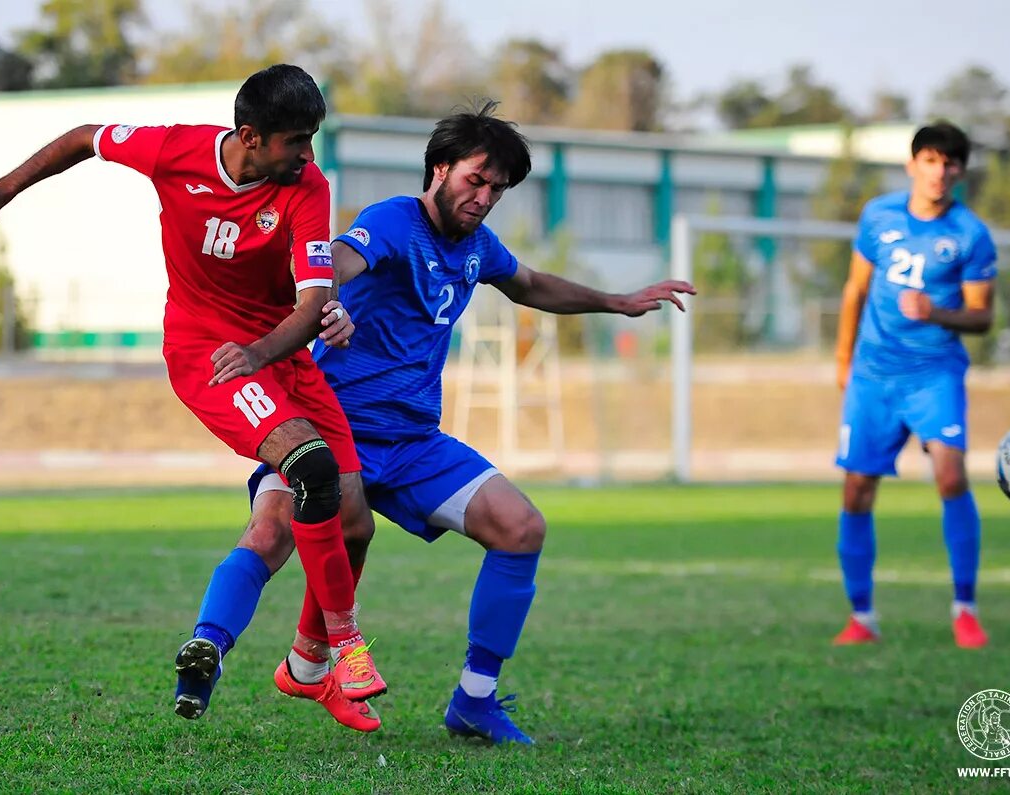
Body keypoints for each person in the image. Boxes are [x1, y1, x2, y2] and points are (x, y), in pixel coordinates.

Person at [209, 101, 696, 743]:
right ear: (440, 168)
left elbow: (529, 284)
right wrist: (325, 307)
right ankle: (207, 651)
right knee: (270, 536)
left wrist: (617, 301)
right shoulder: (390, 221)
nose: (486, 196)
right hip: (329, 429)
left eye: (498, 188)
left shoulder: (477, 247)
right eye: (477, 179)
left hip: (413, 441)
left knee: (521, 528)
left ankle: (474, 700)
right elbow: (334, 267)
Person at [0, 64, 385, 731]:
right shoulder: (173, 149)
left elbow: (312, 303)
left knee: (354, 519)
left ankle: (305, 664)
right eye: (297, 140)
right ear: (250, 136)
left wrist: (275, 346)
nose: (309, 155)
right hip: (207, 353)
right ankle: (345, 645)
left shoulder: (307, 186)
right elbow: (84, 137)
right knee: (312, 474)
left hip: (277, 354)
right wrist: (1, 191)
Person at [832, 121, 996, 649]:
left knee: (950, 476)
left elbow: (982, 317)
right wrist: (842, 359)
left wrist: (936, 312)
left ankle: (965, 610)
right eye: (930, 160)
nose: (939, 172)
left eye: (950, 164)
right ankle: (862, 618)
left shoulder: (970, 234)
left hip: (934, 374)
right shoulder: (877, 216)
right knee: (857, 490)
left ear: (961, 173)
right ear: (912, 165)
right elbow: (855, 289)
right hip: (873, 374)